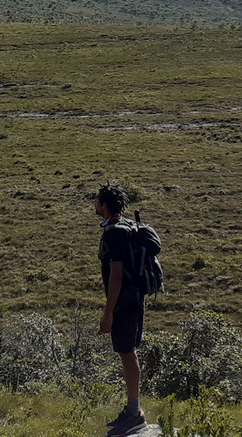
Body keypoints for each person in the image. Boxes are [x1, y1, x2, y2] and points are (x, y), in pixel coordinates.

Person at [96, 183, 147, 436]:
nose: (95, 205)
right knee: (129, 352)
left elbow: (115, 275)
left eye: (97, 201)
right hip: (133, 299)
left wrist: (109, 313)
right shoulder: (125, 226)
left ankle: (135, 413)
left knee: (127, 353)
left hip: (124, 303)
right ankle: (132, 409)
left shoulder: (114, 233)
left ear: (104, 205)